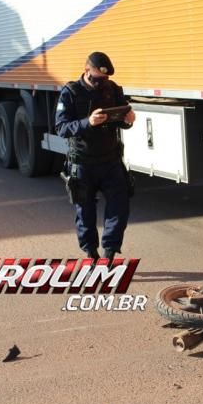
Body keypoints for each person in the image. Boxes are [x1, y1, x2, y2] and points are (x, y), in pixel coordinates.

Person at [55, 52, 136, 261]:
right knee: (85, 212)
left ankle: (109, 252)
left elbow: (120, 120)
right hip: (83, 162)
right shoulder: (71, 92)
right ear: (87, 71)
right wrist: (87, 123)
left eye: (105, 79)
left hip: (110, 160)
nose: (102, 83)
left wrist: (128, 120)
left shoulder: (113, 89)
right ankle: (91, 253)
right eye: (98, 79)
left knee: (120, 207)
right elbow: (61, 127)